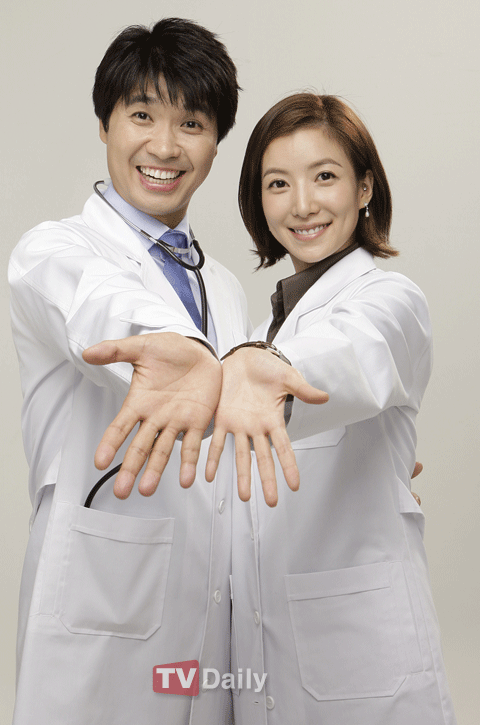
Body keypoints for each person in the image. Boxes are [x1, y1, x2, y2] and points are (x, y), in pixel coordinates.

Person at [8, 18, 257, 724]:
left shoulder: (225, 288)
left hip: (208, 610)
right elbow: (100, 304)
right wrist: (173, 345)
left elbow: (242, 429)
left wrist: (350, 462)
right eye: (142, 115)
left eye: (192, 123)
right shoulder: (53, 252)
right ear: (104, 124)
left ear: (215, 144)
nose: (165, 146)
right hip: (100, 593)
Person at [202, 93, 456, 723]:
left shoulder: (390, 301)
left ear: (364, 186)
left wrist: (270, 377)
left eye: (324, 177)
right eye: (278, 183)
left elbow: (351, 356)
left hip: (363, 658)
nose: (302, 204)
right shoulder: (262, 330)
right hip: (264, 659)